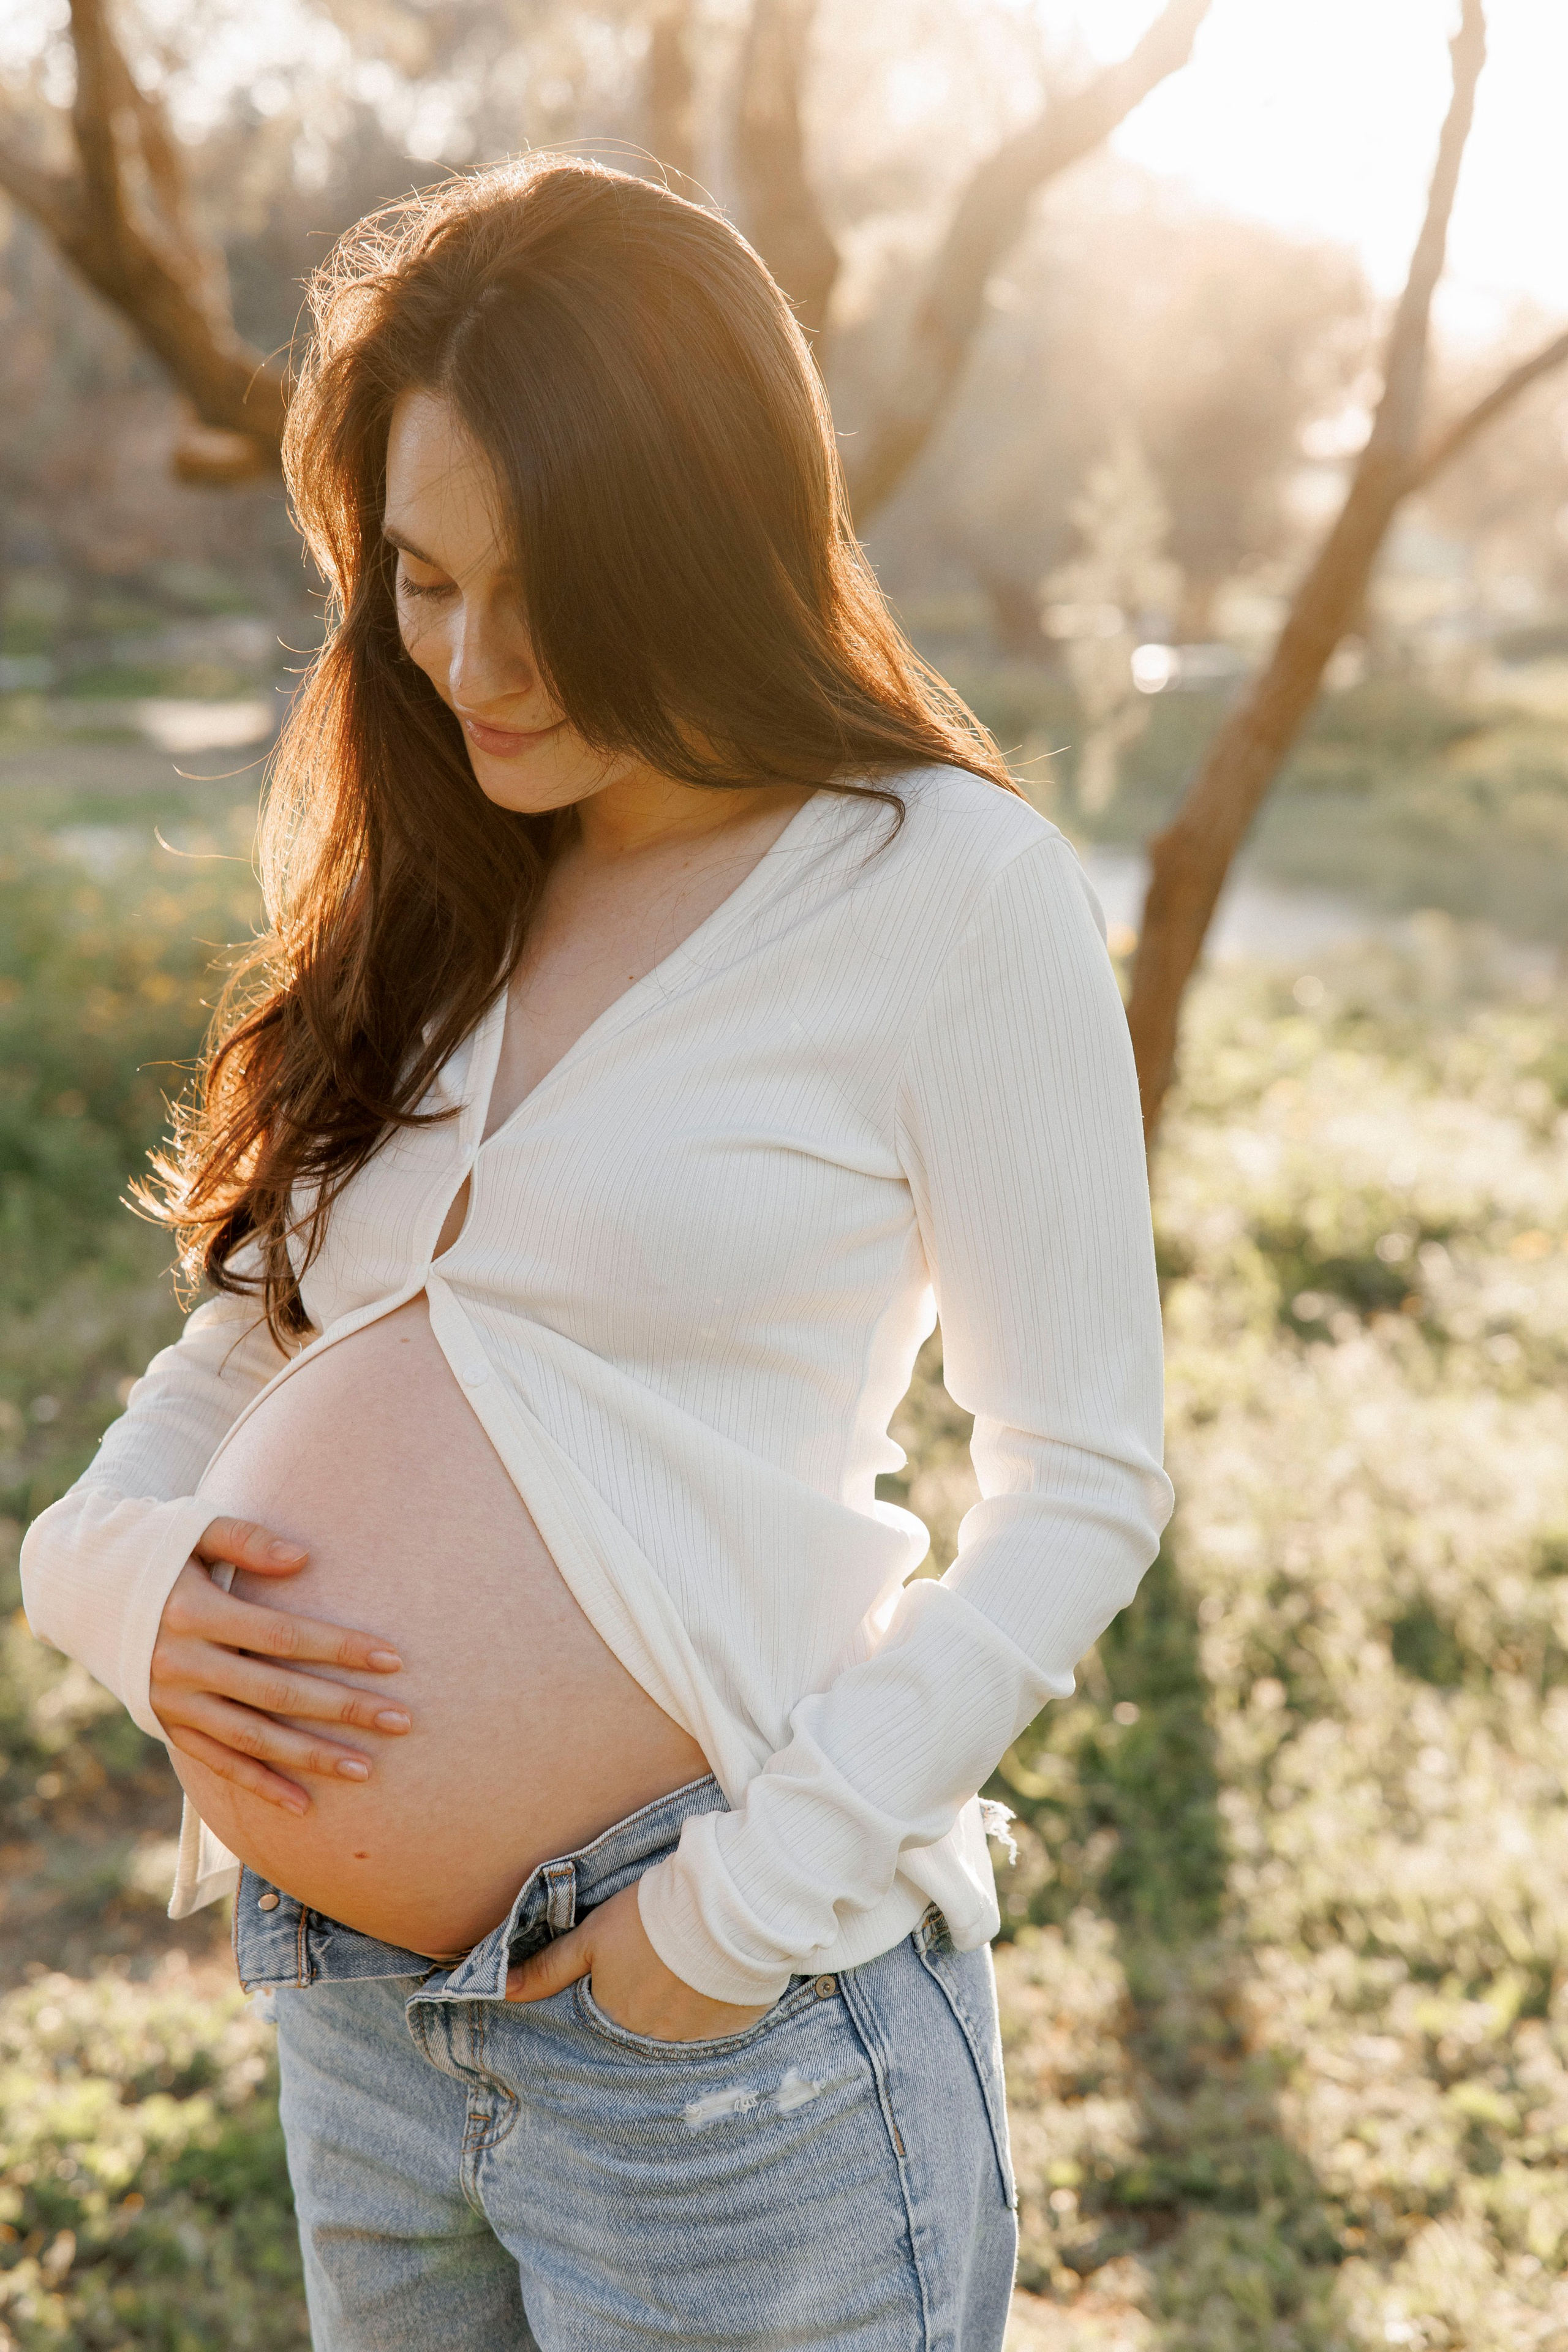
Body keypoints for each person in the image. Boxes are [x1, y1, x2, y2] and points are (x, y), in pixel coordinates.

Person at [20, 154, 1172, 2351]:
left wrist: (734, 1922)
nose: (471, 660)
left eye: (544, 588)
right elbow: (256, 1338)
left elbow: (1086, 1481)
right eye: (422, 581)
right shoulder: (456, 868)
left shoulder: (940, 889)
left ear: (709, 547)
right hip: (357, 2030)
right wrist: (107, 1582)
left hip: (720, 2060)